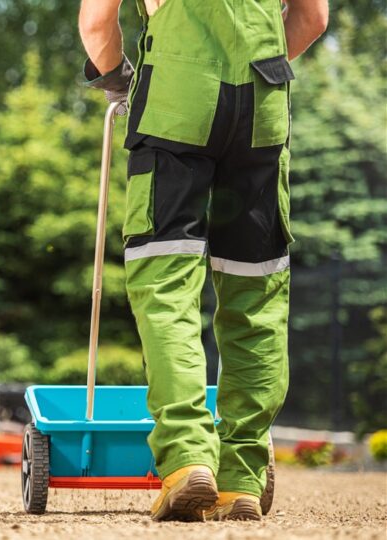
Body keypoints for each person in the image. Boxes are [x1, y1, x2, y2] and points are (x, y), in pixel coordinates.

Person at [77, 0, 328, 522]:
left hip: (175, 101)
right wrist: (257, 68)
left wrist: (121, 83)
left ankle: (189, 457)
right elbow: (313, 17)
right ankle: (241, 475)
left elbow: (98, 22)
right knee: (255, 288)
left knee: (166, 283)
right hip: (262, 104)